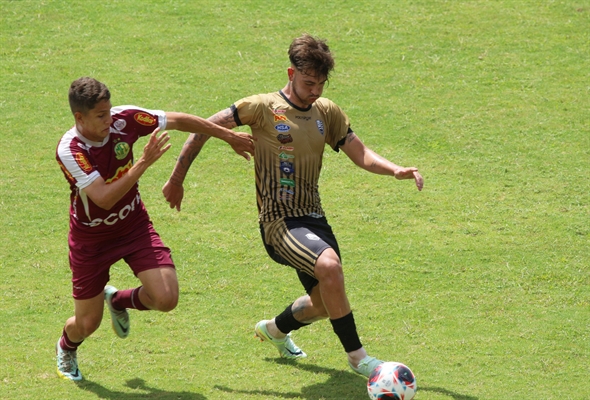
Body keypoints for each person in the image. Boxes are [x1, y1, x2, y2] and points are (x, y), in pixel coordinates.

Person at [162, 34, 424, 377]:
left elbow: (360, 153)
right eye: (308, 82)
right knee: (330, 268)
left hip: (314, 218)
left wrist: (395, 170)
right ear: (291, 73)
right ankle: (359, 359)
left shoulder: (326, 112)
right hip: (278, 223)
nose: (314, 90)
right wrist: (177, 178)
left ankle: (274, 330)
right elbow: (203, 128)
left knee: (325, 303)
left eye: (320, 83)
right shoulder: (261, 107)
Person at [54, 77, 255, 381]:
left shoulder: (125, 118)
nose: (109, 120)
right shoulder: (71, 150)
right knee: (87, 324)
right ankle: (67, 348)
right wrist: (144, 163)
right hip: (91, 240)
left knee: (166, 298)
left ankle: (118, 299)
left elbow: (177, 120)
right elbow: (104, 198)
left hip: (133, 226)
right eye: (100, 116)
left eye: (109, 112)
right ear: (79, 118)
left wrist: (226, 135)